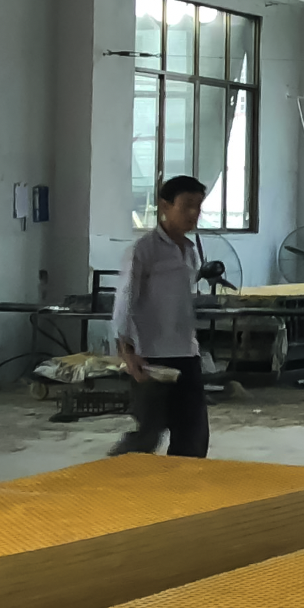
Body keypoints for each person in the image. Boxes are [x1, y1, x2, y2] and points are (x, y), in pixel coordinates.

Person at [109, 175, 211, 458]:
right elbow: (124, 301)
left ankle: (182, 483)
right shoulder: (144, 250)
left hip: (186, 352)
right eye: (186, 205)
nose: (193, 213)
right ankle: (117, 472)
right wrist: (127, 350)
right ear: (165, 206)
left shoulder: (190, 251)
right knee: (148, 433)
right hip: (151, 356)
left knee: (193, 434)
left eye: (198, 207)